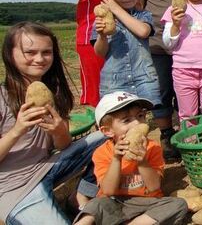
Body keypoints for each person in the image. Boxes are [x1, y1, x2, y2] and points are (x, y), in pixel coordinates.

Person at [1, 22, 105, 224]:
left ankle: (80, 196)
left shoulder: (54, 92)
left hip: (48, 166)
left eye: (46, 52)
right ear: (10, 54)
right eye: (30, 52)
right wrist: (17, 131)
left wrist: (59, 132)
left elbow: (63, 145)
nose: (39, 59)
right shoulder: (2, 98)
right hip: (13, 188)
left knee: (112, 134)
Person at [73, 92, 187, 225]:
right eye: (126, 120)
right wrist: (116, 159)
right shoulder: (102, 152)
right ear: (108, 131)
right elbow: (108, 191)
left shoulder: (152, 147)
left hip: (145, 204)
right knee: (94, 205)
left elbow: (154, 187)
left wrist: (142, 162)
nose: (137, 123)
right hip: (114, 202)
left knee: (178, 205)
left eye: (140, 116)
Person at [135, 0, 183, 160]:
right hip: (156, 43)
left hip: (187, 44)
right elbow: (138, 4)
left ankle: (187, 134)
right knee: (161, 92)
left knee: (184, 91)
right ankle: (166, 134)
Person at [92, 0, 160, 109]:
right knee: (119, 119)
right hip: (114, 81)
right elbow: (100, 52)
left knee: (147, 114)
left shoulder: (143, 15)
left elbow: (143, 31)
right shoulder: (102, 19)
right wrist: (102, 36)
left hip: (144, 78)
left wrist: (115, 8)